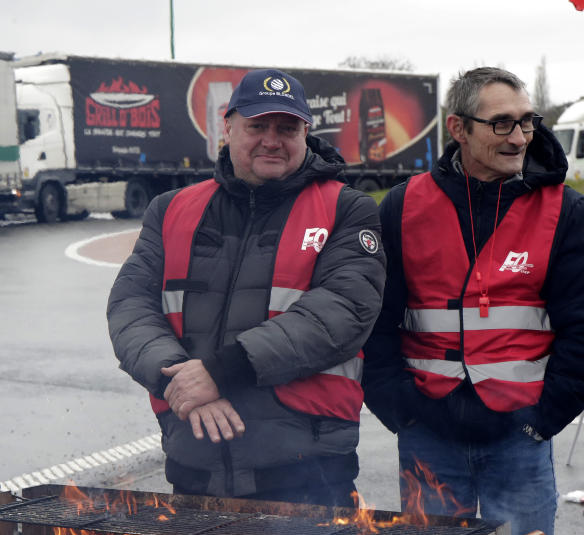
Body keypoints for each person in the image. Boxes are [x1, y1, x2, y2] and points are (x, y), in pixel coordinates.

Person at [361, 67, 584, 535]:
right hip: (429, 435)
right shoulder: (402, 208)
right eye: (501, 123)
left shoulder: (563, 210)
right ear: (458, 127)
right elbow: (372, 327)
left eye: (526, 121)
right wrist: (401, 411)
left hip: (518, 441)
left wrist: (540, 422)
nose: (519, 137)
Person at [108, 68, 386, 508]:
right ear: (228, 127)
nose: (272, 140)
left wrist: (218, 373)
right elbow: (130, 308)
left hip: (308, 474)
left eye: (287, 128)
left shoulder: (346, 210)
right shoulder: (171, 210)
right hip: (193, 464)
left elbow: (342, 313)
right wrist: (180, 384)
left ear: (306, 133)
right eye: (257, 126)